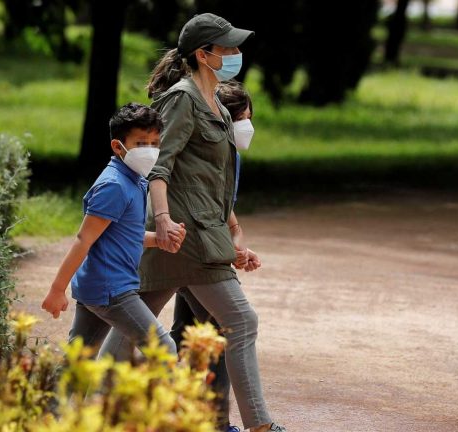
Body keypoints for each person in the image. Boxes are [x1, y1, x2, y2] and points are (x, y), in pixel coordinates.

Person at [98, 13, 285, 432]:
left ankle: (92, 406)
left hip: (201, 231)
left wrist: (235, 238)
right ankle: (261, 427)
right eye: (228, 48)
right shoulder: (183, 98)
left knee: (133, 322)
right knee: (241, 321)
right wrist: (162, 221)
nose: (236, 55)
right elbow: (159, 168)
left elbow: (213, 181)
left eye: (237, 47)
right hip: (186, 233)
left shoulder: (216, 101)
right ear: (204, 55)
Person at [40, 102, 185, 357]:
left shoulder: (134, 180)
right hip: (112, 289)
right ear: (118, 147)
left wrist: (160, 240)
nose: (150, 150)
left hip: (99, 285)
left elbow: (122, 236)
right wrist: (57, 289)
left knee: (78, 360)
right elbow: (83, 239)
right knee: (164, 348)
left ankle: (53, 399)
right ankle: (151, 398)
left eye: (155, 143)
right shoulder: (114, 186)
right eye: (141, 144)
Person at [168, 79, 258, 431]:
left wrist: (237, 244)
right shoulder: (209, 153)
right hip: (194, 251)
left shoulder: (230, 155)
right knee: (224, 328)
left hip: (208, 249)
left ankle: (181, 414)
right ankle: (216, 422)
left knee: (187, 333)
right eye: (243, 118)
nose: (248, 126)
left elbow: (226, 215)